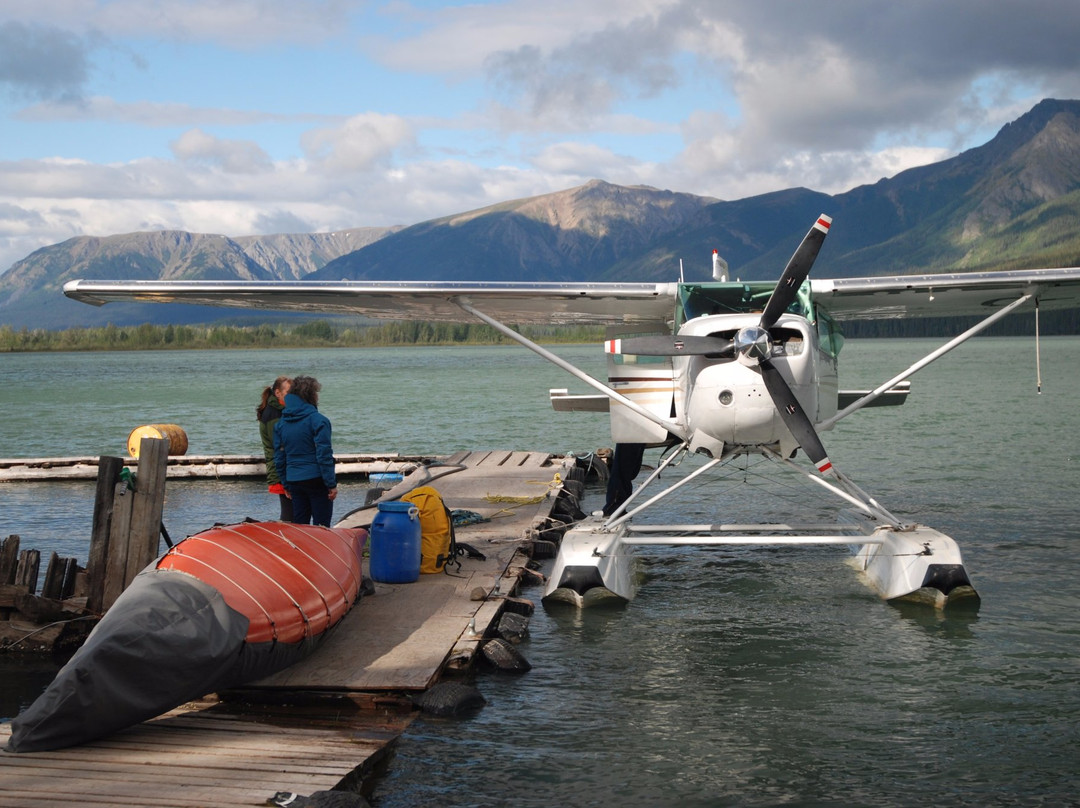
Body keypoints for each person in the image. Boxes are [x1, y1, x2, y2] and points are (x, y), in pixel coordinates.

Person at [274, 375, 338, 526]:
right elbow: (323, 455)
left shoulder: (281, 424)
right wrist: (331, 483)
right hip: (316, 479)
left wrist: (285, 483)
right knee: (321, 526)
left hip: (294, 479)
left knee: (300, 526)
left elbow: (279, 457)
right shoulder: (319, 420)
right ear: (311, 396)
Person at [257, 376, 293, 521]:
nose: (293, 396)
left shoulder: (282, 410)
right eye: (289, 392)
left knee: (292, 510)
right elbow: (279, 447)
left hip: (285, 468)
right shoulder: (273, 414)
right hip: (281, 470)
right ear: (278, 393)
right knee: (289, 512)